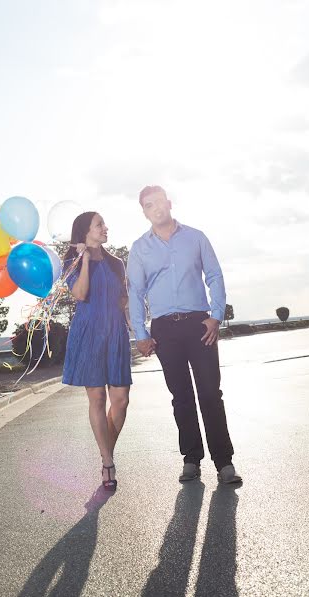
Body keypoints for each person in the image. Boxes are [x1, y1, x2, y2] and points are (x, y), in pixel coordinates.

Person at [127, 186, 241, 484]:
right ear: (144, 212)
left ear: (169, 203)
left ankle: (224, 461)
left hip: (199, 325)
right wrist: (140, 332)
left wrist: (215, 316)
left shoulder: (196, 237)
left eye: (159, 202)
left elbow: (214, 275)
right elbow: (135, 292)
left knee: (210, 393)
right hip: (164, 329)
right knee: (181, 396)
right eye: (148, 205)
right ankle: (191, 458)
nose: (156, 208)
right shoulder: (140, 248)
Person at [62, 212, 132, 491]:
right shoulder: (73, 261)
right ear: (85, 231)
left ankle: (107, 453)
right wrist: (86, 260)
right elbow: (80, 294)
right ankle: (108, 463)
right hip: (88, 333)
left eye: (104, 223)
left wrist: (139, 331)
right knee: (98, 398)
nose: (105, 228)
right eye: (99, 224)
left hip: (115, 333)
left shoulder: (117, 263)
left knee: (121, 400)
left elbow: (124, 299)